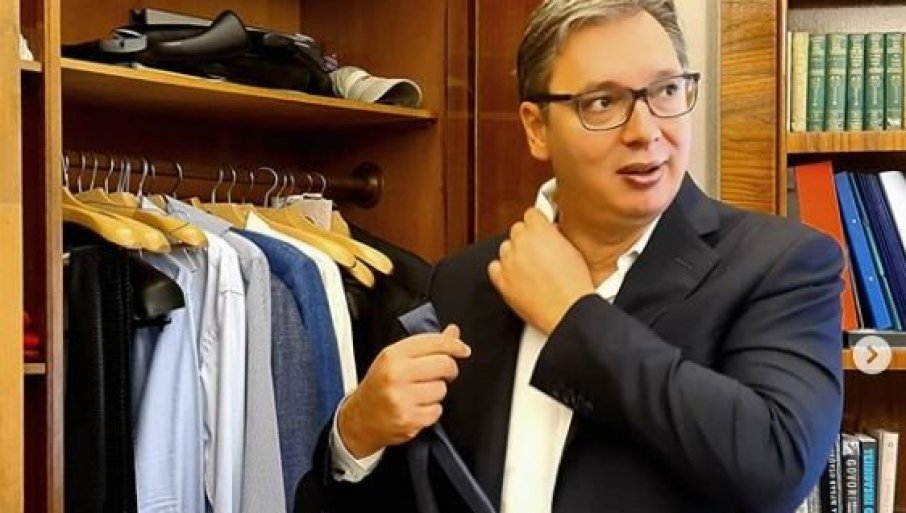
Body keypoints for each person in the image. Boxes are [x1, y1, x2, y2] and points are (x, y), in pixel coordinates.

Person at [297, 1, 844, 512]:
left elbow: (778, 467)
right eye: (602, 102)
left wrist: (573, 317)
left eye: (666, 91)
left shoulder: (782, 264)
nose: (646, 131)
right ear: (537, 128)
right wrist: (356, 434)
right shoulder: (461, 282)